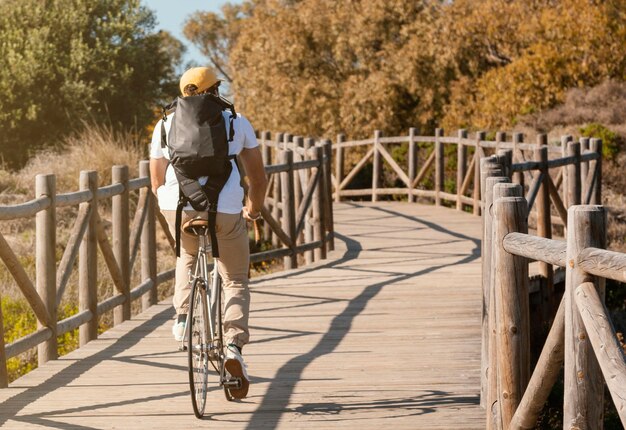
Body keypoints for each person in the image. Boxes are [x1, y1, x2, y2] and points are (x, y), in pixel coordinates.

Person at [149, 67, 267, 399]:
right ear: (215, 89)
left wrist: (169, 204)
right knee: (235, 278)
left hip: (178, 206)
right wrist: (253, 210)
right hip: (226, 209)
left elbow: (156, 181)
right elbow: (257, 177)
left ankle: (183, 317)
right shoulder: (237, 121)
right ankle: (233, 346)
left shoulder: (164, 124)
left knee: (187, 254)